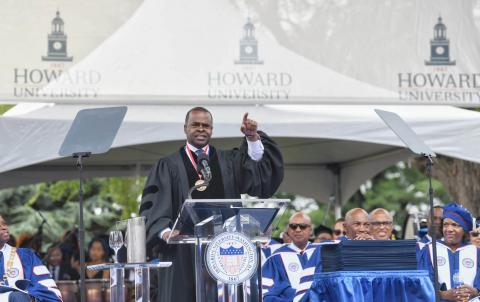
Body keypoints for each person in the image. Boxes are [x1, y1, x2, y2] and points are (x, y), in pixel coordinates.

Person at [140, 107, 284, 302]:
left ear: (212, 129)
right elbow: (154, 204)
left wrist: (252, 138)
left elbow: (256, 174)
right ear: (185, 128)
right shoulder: (167, 165)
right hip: (182, 253)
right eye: (195, 125)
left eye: (206, 125)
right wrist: (164, 231)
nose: (201, 129)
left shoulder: (228, 161)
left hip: (225, 250)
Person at [418, 203, 480, 301]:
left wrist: (475, 291)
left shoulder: (475, 252)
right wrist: (442, 294)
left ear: (464, 229)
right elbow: (423, 283)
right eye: (445, 225)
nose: (449, 229)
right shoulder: (429, 250)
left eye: (455, 225)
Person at [0, 215, 62, 302]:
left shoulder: (26, 256)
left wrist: (24, 297)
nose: (4, 228)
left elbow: (50, 293)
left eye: (4, 224)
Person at [262, 213, 318, 302]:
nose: (298, 230)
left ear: (310, 230)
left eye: (302, 226)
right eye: (293, 226)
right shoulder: (277, 257)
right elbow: (268, 290)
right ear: (288, 230)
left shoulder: (319, 252)